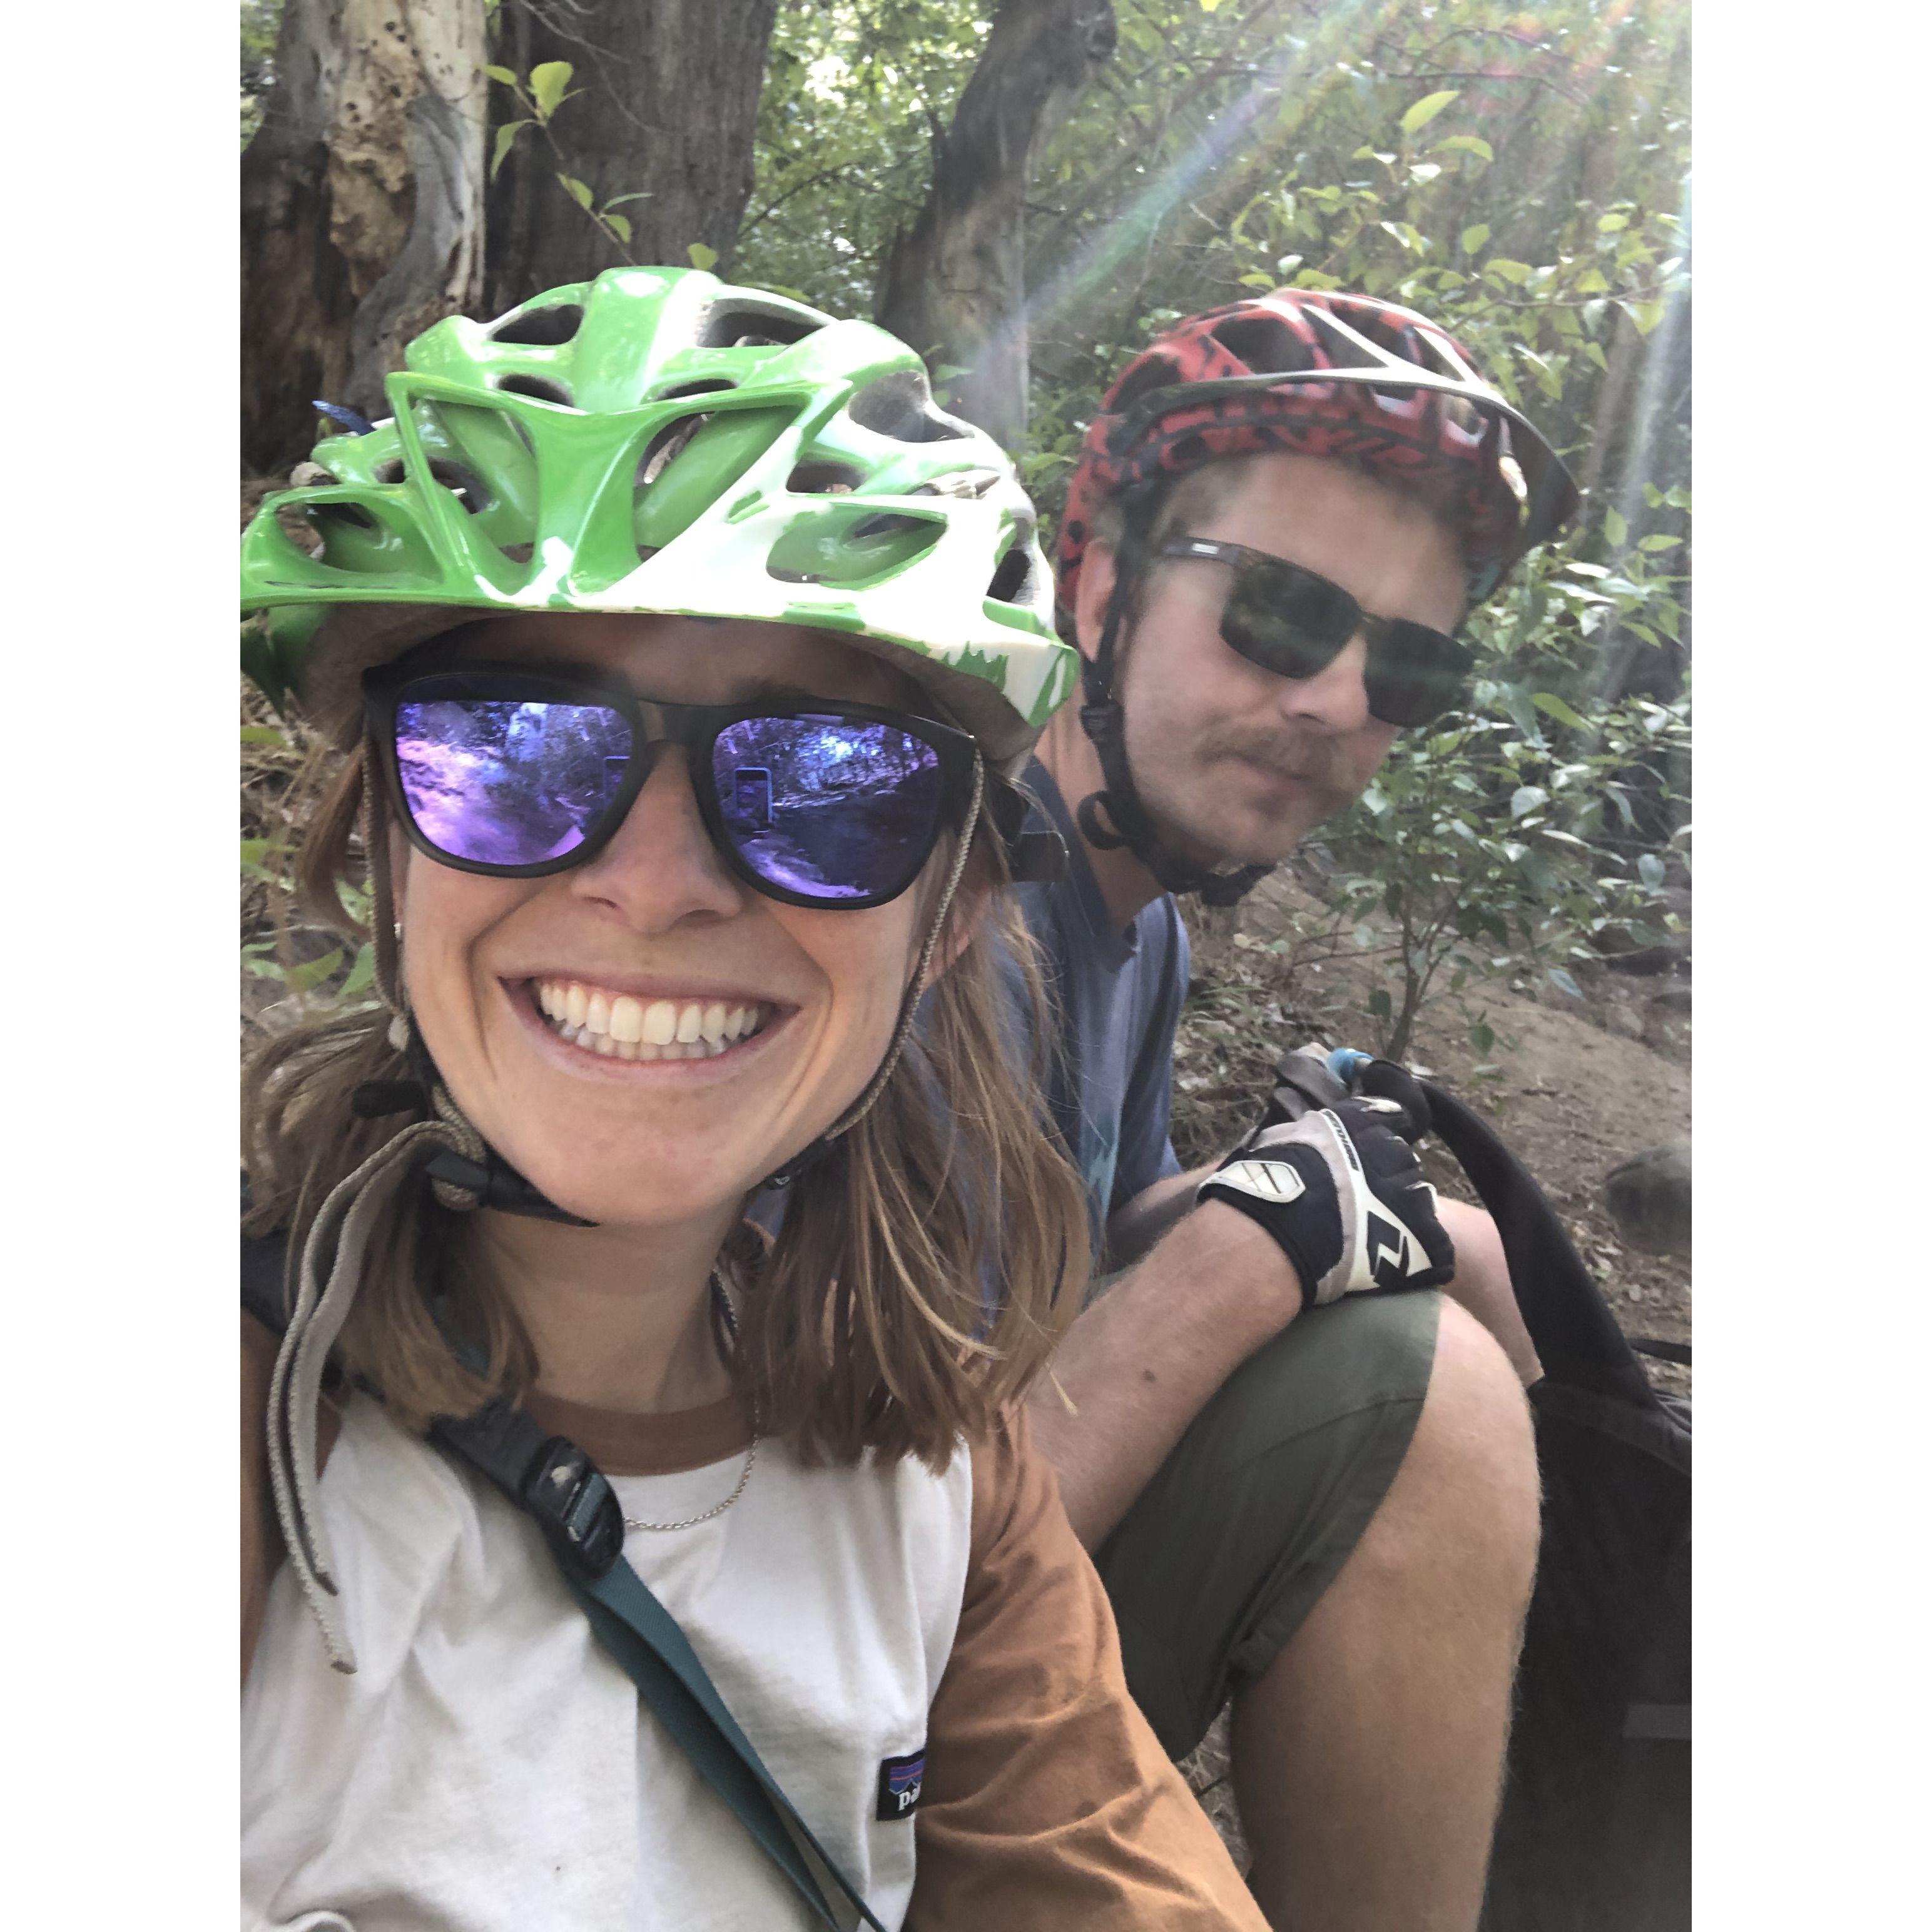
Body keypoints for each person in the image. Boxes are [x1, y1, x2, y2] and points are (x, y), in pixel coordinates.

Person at [238, 267, 1271, 1930]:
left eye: (831, 781)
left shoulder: (939, 1474)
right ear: (387, 844)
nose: (657, 888)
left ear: (948, 915)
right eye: (512, 746)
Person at [1010, 289, 1579, 1930]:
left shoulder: (1139, 925)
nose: (1339, 698)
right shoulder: (937, 927)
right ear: (1103, 587)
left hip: (978, 1587)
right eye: (1277, 612)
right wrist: (1253, 1247)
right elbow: (817, 1594)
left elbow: (1095, 1225)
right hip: (813, 1725)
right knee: (1427, 1394)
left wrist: (1335, 1197)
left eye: (1408, 665)